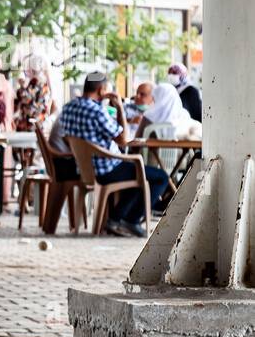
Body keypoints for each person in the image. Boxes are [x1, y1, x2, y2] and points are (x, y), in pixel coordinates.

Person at [56, 71, 169, 237]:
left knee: (138, 173)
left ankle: (116, 219)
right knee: (160, 177)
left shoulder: (67, 108)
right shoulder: (97, 112)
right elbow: (123, 140)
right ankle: (129, 220)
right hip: (106, 170)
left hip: (83, 169)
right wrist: (119, 107)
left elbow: (67, 139)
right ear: (102, 90)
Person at [13, 55, 54, 131]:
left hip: (32, 124)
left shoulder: (35, 83)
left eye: (26, 70)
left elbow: (25, 98)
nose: (26, 73)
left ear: (33, 70)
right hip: (40, 123)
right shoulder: (44, 84)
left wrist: (21, 86)